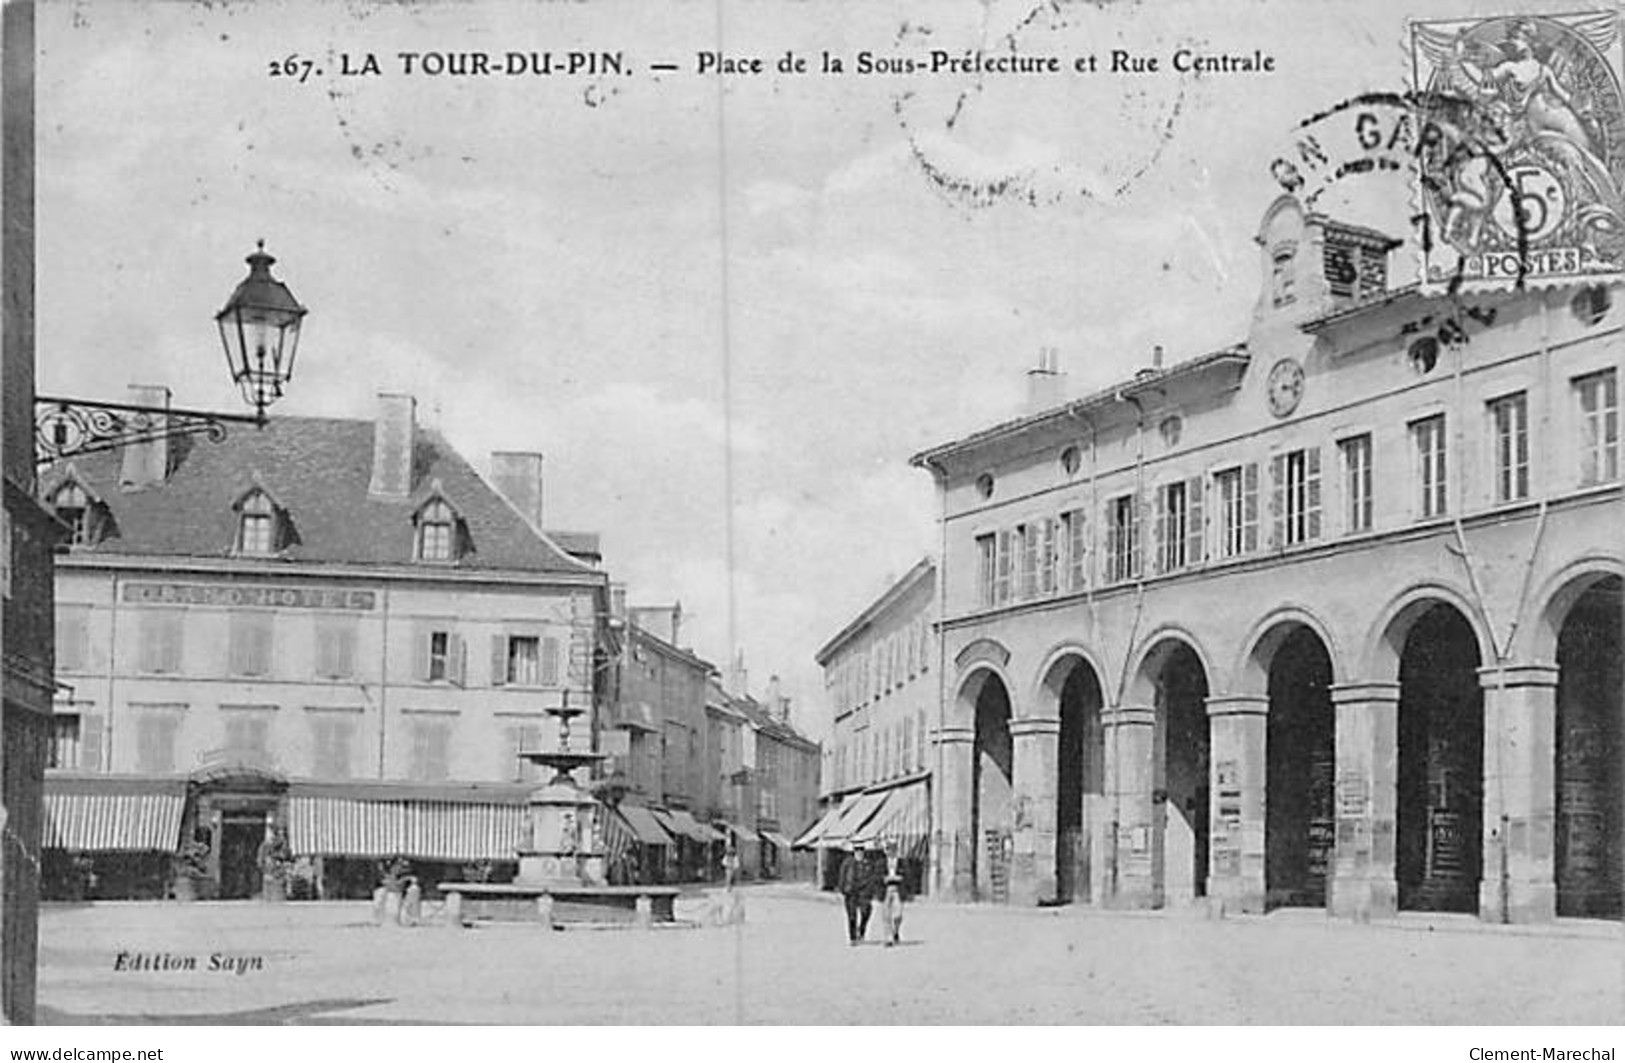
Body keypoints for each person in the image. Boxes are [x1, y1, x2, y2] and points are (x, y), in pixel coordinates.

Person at [838, 842, 876, 945]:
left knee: (866, 912)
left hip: (864, 892)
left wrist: (871, 890)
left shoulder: (868, 863)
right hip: (851, 892)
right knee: (852, 915)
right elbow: (842, 876)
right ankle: (853, 937)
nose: (859, 854)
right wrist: (842, 889)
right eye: (857, 852)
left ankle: (862, 929)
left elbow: (872, 877)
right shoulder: (848, 863)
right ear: (854, 852)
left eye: (861, 852)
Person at [879, 849, 906, 947]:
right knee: (886, 915)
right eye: (889, 849)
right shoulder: (881, 862)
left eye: (893, 848)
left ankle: (895, 931)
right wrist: (883, 878)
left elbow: (907, 875)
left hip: (897, 889)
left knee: (898, 914)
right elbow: (877, 875)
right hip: (886, 889)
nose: (891, 851)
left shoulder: (902, 862)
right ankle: (888, 938)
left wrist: (900, 878)